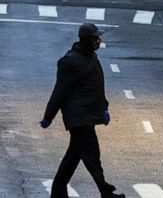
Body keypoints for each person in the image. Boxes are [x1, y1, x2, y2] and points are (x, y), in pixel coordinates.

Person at [40, 24, 124, 198]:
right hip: (78, 118)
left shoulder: (91, 57)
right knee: (91, 154)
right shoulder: (70, 62)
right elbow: (60, 91)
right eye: (95, 38)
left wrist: (104, 108)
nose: (98, 41)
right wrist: (49, 116)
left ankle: (58, 192)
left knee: (74, 156)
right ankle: (105, 191)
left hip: (87, 116)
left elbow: (97, 87)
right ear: (85, 40)